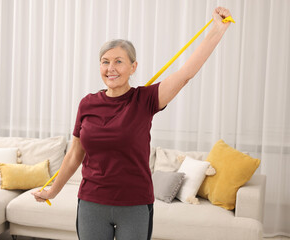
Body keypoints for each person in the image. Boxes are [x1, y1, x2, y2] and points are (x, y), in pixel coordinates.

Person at [32, 6, 232, 240]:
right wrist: (52, 191)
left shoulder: (145, 99)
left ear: (133, 67)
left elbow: (186, 73)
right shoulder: (87, 104)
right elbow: (75, 154)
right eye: (105, 62)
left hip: (135, 204)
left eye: (119, 61)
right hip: (91, 202)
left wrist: (217, 30)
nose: (111, 68)